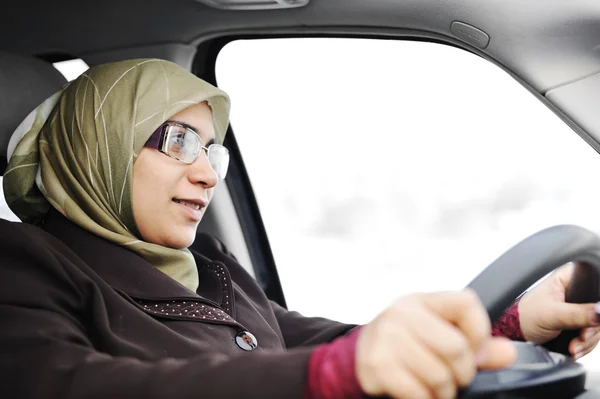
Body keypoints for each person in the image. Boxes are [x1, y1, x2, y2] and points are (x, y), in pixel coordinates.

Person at [0, 58, 599, 399]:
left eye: (213, 151)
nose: (209, 175)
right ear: (97, 149)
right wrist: (329, 377)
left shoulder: (209, 265)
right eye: (179, 141)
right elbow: (68, 386)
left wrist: (511, 323)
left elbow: (320, 340)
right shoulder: (24, 261)